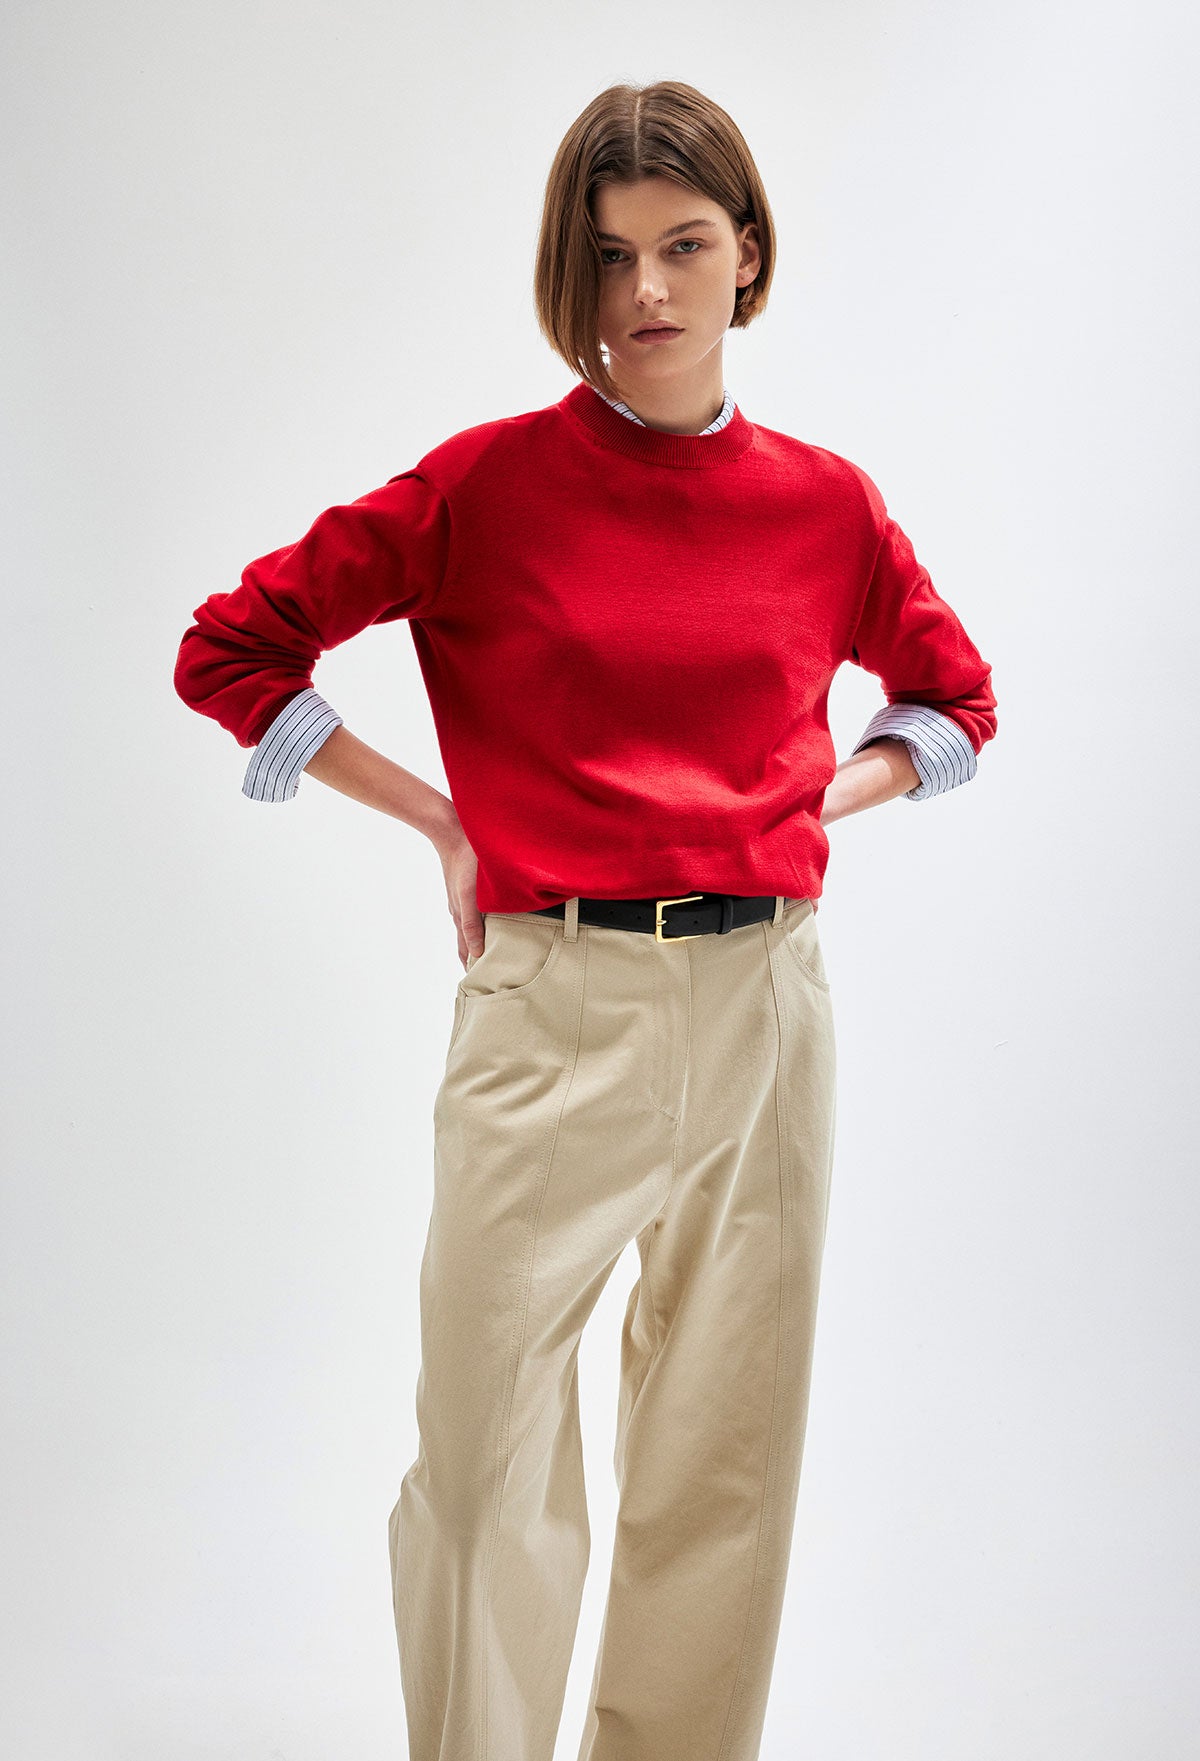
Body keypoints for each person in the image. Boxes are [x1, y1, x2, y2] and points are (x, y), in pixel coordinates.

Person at [174, 77, 997, 1761]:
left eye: (685, 246)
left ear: (747, 253)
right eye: (611, 255)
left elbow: (955, 701)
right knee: (483, 1464)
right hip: (550, 1004)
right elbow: (231, 647)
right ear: (573, 269)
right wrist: (437, 818)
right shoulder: (486, 486)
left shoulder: (827, 506)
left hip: (765, 1008)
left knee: (725, 1463)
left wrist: (811, 803)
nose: (649, 291)